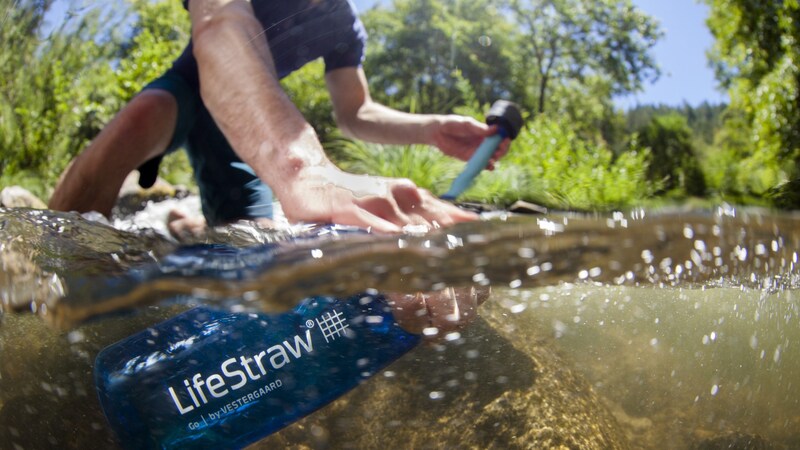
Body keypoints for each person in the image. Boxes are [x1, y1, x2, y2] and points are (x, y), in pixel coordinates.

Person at [49, 0, 508, 332]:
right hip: (192, 91)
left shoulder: (344, 24)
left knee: (257, 249)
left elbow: (355, 112)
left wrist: (431, 128)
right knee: (138, 118)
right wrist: (304, 169)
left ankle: (184, 236)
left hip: (240, 136)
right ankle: (39, 304)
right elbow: (219, 26)